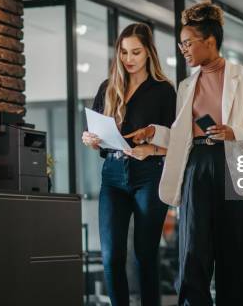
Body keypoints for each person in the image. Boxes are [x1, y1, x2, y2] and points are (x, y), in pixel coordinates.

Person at [129, 0, 243, 306]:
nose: (184, 50)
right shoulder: (186, 85)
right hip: (196, 166)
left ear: (210, 41)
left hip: (233, 164)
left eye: (188, 43)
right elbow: (182, 137)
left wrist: (233, 132)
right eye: (181, 45)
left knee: (237, 248)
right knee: (193, 250)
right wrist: (154, 132)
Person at [81, 23, 176, 306]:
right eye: (123, 52)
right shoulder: (107, 88)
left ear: (148, 52)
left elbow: (178, 140)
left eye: (135, 52)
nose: (129, 59)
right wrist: (91, 139)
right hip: (112, 175)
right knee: (112, 257)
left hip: (150, 174)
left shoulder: (163, 91)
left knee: (144, 255)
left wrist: (151, 149)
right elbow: (100, 133)